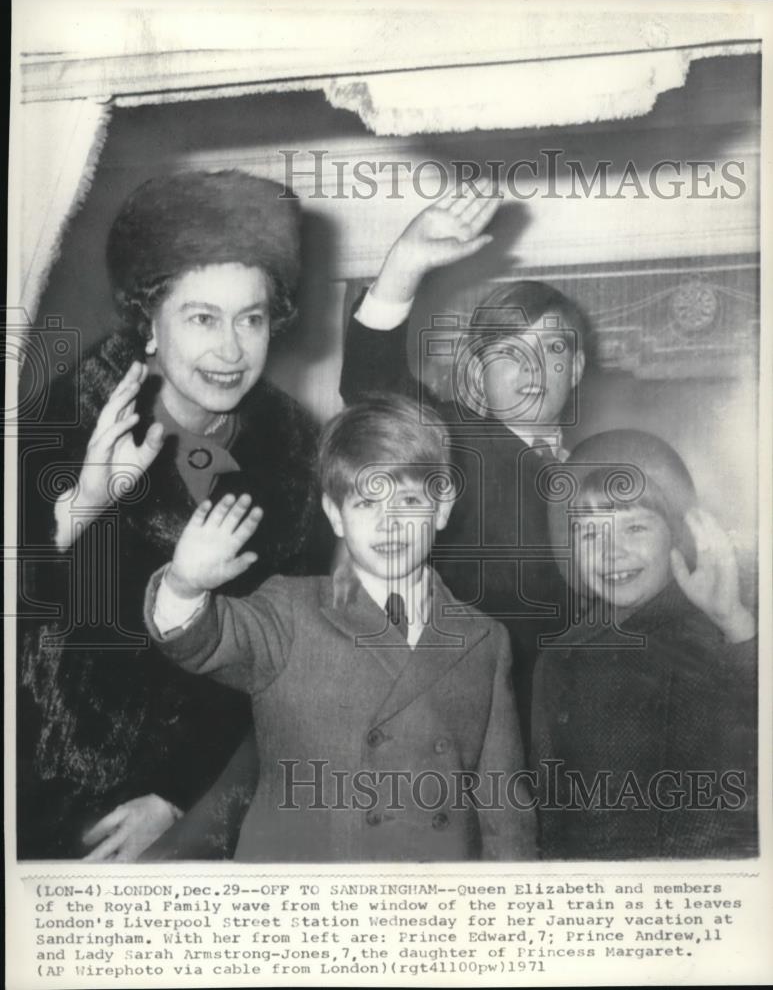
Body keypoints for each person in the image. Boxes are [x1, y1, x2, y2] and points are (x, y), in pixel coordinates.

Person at [17, 170, 330, 860]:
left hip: (203, 798)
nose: (230, 351)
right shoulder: (52, 431)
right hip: (44, 804)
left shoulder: (294, 453)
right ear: (148, 322)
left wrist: (174, 793)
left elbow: (280, 655)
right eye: (201, 318)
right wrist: (78, 511)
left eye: (250, 319)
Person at [145, 395, 537, 862]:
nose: (390, 523)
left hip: (434, 902)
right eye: (368, 502)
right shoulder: (290, 610)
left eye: (410, 500)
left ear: (443, 508)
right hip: (308, 900)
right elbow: (206, 641)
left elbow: (504, 807)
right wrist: (185, 586)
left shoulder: (485, 640)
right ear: (335, 514)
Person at [340, 185, 590, 749]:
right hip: (468, 738)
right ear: (477, 373)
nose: (533, 366)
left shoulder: (603, 473)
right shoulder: (454, 441)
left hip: (581, 738)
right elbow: (370, 390)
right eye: (508, 349)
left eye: (552, 350)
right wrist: (403, 266)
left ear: (575, 368)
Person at [531, 429, 758, 859]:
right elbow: (551, 811)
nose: (612, 552)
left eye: (634, 527)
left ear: (676, 535)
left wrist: (737, 627)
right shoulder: (559, 656)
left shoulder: (717, 640)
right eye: (590, 533)